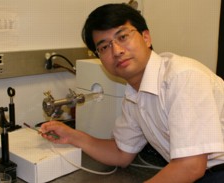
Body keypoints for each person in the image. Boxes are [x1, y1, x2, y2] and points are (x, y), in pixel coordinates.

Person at [40, 3, 224, 183]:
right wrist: (71, 135)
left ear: (146, 38)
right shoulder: (134, 95)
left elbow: (191, 166)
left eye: (123, 37)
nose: (117, 51)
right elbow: (121, 153)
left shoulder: (182, 78)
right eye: (104, 47)